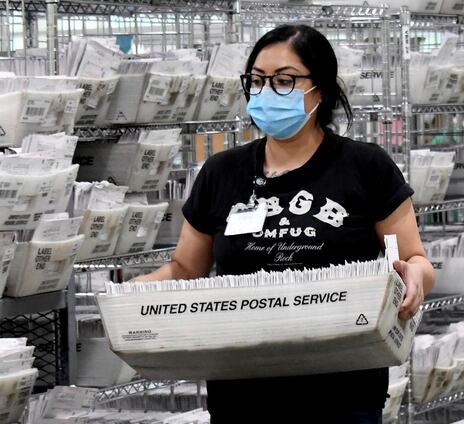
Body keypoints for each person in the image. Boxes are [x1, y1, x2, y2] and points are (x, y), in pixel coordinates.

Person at [134, 24, 435, 423]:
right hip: (242, 390)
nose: (265, 92)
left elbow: (415, 258)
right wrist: (127, 297)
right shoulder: (222, 173)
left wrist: (414, 276)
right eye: (257, 82)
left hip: (343, 391)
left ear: (321, 89)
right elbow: (185, 269)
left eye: (284, 81)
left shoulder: (364, 166)